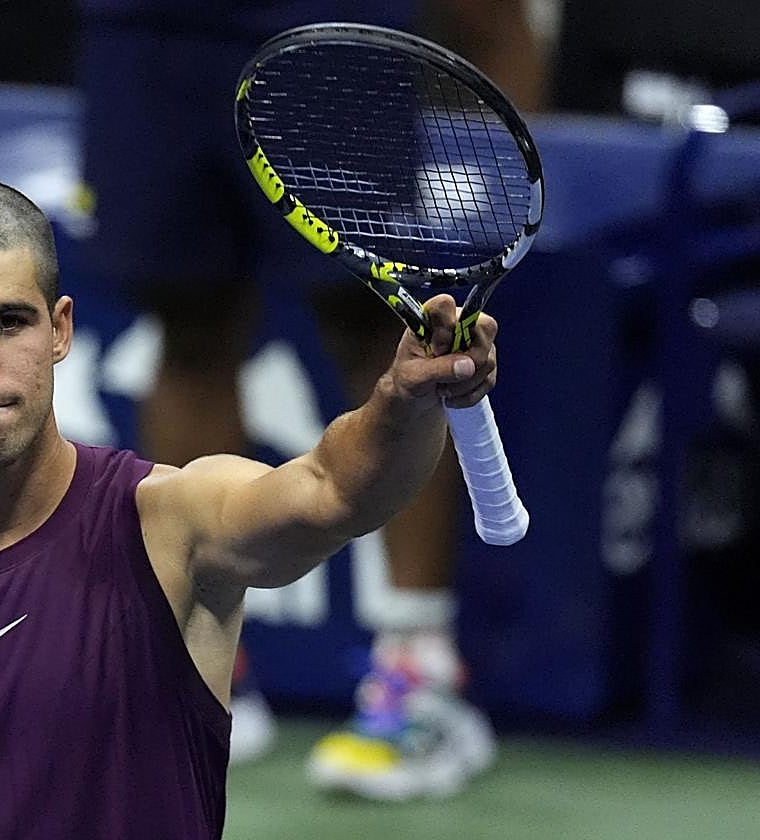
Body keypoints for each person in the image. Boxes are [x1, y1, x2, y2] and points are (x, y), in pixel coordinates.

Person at [0, 173, 501, 838]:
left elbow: (332, 489)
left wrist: (401, 402)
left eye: (6, 322)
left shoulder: (174, 530)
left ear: (59, 330)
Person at [77, 0, 541, 794]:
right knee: (186, 327)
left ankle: (420, 674)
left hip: (328, 22)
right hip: (145, 32)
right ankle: (199, 662)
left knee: (379, 334)